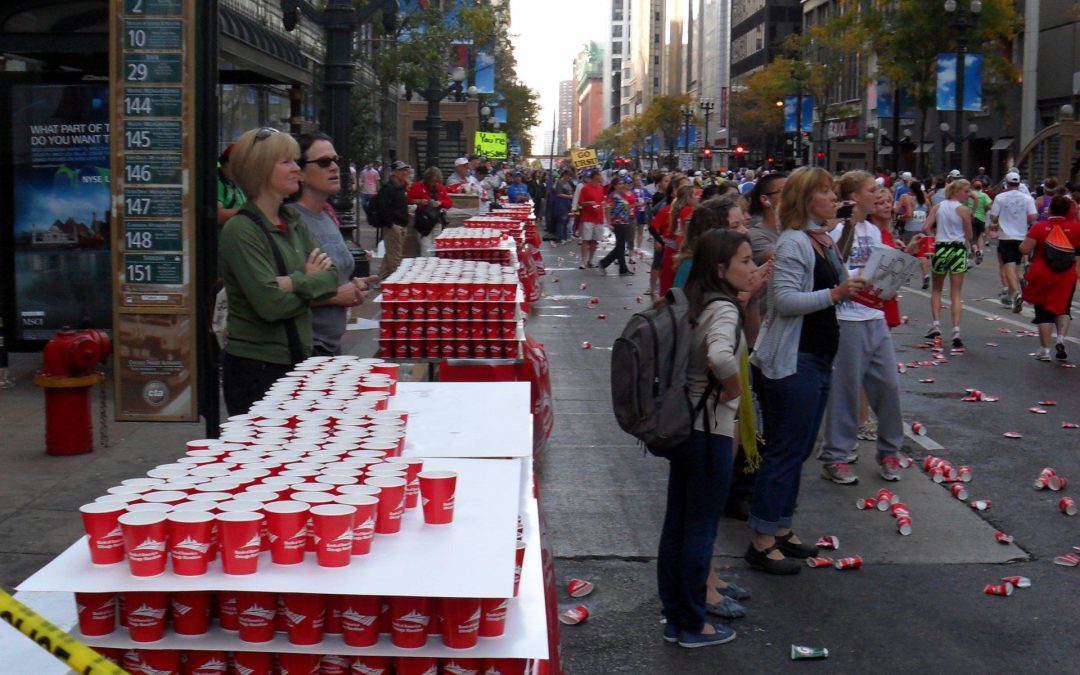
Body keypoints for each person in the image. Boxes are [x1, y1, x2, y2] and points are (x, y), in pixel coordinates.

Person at [748, 166, 866, 574]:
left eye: (834, 192)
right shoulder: (794, 242)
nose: (835, 198)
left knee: (799, 449)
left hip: (817, 357)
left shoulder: (822, 241)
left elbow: (838, 286)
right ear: (805, 200)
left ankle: (781, 527)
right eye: (826, 192)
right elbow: (784, 301)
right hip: (793, 360)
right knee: (784, 450)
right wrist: (835, 293)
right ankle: (762, 540)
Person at [657, 229, 756, 649]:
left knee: (677, 527)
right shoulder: (724, 309)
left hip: (684, 428)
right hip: (710, 431)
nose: (752, 267)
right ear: (720, 268)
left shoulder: (693, 301)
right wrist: (733, 389)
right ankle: (694, 626)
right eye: (745, 261)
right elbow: (719, 355)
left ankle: (676, 617)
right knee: (700, 530)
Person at [218, 127, 338, 415]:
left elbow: (332, 278)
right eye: (286, 162)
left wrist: (291, 283)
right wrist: (308, 281)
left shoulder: (292, 219)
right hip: (257, 369)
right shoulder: (241, 230)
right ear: (259, 170)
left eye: (295, 160)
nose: (297, 168)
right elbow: (270, 304)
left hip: (296, 361)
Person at [819, 172, 923, 485]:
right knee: (846, 390)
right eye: (870, 190)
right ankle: (835, 455)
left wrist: (902, 261)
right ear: (854, 196)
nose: (878, 194)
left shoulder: (874, 230)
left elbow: (882, 269)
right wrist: (849, 229)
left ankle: (889, 451)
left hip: (874, 315)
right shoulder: (835, 227)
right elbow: (833, 267)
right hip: (846, 318)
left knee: (888, 386)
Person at [288, 132, 373, 357]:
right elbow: (278, 295)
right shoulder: (291, 220)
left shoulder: (326, 215)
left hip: (331, 344)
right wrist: (336, 295)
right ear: (300, 172)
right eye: (324, 162)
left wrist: (353, 286)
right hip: (307, 347)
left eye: (336, 160)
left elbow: (332, 275)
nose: (334, 167)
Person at [1020, 195, 1080, 361]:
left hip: (1042, 273)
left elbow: (1025, 249)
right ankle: (1060, 339)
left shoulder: (1040, 227)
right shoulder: (1076, 228)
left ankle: (1045, 350)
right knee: (1064, 308)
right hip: (1066, 274)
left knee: (1043, 312)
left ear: (1050, 209)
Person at [922, 179, 974, 349]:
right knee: (956, 292)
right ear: (956, 192)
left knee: (937, 289)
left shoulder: (938, 207)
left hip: (941, 247)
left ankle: (936, 324)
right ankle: (956, 330)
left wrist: (933, 237)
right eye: (966, 191)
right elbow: (969, 235)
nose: (968, 195)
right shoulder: (963, 210)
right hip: (957, 249)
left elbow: (926, 227)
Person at [988, 171, 1037, 312]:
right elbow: (1033, 216)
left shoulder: (1000, 197)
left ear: (1006, 183)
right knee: (1017, 265)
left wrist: (1001, 219)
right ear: (1018, 183)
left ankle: (1015, 294)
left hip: (1006, 236)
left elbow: (993, 217)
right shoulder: (1027, 198)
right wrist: (1022, 220)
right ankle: (1018, 284)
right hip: (1021, 236)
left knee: (1009, 266)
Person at [658, 185, 698, 296]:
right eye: (694, 195)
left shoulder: (677, 209)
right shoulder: (687, 210)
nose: (697, 197)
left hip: (672, 248)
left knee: (668, 281)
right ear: (688, 197)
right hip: (680, 248)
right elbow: (687, 232)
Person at [405, 166, 453, 257]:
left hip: (437, 221)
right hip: (423, 222)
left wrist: (440, 202)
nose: (434, 183)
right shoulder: (417, 186)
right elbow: (407, 200)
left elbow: (449, 203)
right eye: (432, 181)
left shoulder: (440, 187)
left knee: (436, 248)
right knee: (425, 249)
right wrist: (419, 201)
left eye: (436, 181)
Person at [377, 160, 412, 279]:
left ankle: (379, 280)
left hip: (400, 225)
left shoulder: (400, 187)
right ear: (394, 172)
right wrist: (391, 225)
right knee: (395, 259)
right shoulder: (388, 188)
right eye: (401, 170)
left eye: (405, 170)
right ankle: (396, 282)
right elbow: (383, 208)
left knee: (390, 255)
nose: (405, 172)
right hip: (394, 227)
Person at [598, 176, 636, 276]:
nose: (622, 185)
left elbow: (626, 207)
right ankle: (622, 269)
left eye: (622, 183)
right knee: (620, 246)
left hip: (625, 222)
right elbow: (607, 209)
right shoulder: (613, 195)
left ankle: (604, 263)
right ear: (614, 186)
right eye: (619, 183)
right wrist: (609, 223)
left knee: (620, 247)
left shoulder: (622, 195)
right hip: (617, 223)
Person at [898, 180, 930, 288]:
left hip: (910, 229)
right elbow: (930, 213)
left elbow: (909, 215)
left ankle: (906, 277)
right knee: (921, 254)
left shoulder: (910, 200)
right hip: (921, 230)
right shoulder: (926, 201)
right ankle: (926, 275)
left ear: (911, 189)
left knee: (907, 252)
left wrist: (900, 217)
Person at [577, 170, 607, 269]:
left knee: (595, 240)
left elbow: (602, 201)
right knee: (586, 239)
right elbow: (580, 203)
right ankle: (583, 261)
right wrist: (588, 203)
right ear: (595, 177)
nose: (601, 177)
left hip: (598, 218)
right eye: (599, 175)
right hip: (588, 218)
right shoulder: (585, 188)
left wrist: (603, 204)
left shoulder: (601, 188)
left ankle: (590, 260)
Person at [216, 143, 247, 225]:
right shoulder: (219, 184)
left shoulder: (237, 185)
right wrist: (247, 212)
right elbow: (217, 215)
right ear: (224, 164)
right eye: (234, 165)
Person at [969, 179, 992, 265]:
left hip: (972, 217)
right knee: (980, 236)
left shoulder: (970, 194)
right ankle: (981, 251)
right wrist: (984, 210)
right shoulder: (984, 195)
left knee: (971, 237)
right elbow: (989, 206)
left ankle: (976, 251)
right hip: (982, 218)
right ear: (981, 187)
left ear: (972, 186)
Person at [550, 168, 576, 243]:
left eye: (570, 176)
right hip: (561, 203)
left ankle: (564, 236)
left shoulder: (569, 182)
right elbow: (558, 194)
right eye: (568, 175)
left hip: (568, 204)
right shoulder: (559, 182)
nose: (569, 177)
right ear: (564, 175)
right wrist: (569, 196)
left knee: (566, 221)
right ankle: (560, 237)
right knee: (561, 221)